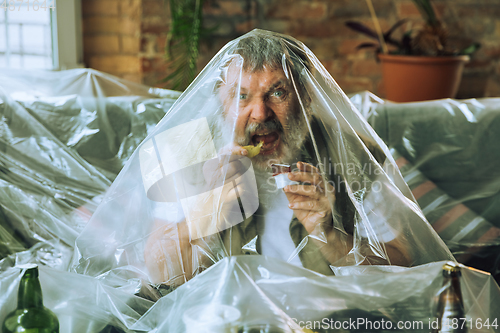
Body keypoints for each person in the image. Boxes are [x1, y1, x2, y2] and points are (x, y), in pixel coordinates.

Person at [143, 30, 413, 286]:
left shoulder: (355, 156)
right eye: (241, 96)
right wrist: (204, 214)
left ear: (306, 97)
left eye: (278, 93)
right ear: (220, 102)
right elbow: (161, 274)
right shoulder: (185, 153)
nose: (260, 113)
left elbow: (403, 267)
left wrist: (329, 235)